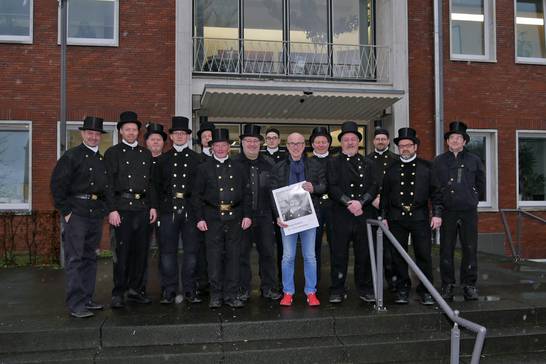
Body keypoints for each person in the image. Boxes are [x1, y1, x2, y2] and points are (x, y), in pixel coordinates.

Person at [50, 116, 108, 318]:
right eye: (90, 133)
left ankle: (87, 298)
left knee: (90, 257)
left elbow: (105, 189)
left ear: (100, 136)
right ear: (82, 134)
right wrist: (66, 212)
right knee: (75, 258)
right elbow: (57, 185)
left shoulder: (102, 160)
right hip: (76, 213)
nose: (93, 137)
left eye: (97, 134)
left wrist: (103, 211)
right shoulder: (71, 156)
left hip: (94, 214)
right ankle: (76, 304)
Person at [380, 127, 443, 305]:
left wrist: (437, 214)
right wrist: (383, 215)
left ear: (415, 146)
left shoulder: (427, 167)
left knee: (423, 255)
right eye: (401, 146)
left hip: (420, 217)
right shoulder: (391, 168)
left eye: (408, 145)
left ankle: (426, 290)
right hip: (396, 218)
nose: (405, 148)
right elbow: (384, 195)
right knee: (397, 256)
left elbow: (437, 193)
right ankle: (402, 288)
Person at [192, 128, 252, 309]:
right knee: (214, 257)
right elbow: (196, 196)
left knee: (234, 257)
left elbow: (247, 194)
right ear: (212, 148)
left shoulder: (239, 167)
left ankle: (231, 295)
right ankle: (216, 295)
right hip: (212, 218)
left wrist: (248, 215)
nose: (220, 148)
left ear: (229, 147)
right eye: (216, 145)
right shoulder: (203, 169)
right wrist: (199, 218)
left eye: (223, 145)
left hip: (235, 218)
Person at [104, 111, 157, 308]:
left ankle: (136, 290)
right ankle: (119, 292)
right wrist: (112, 209)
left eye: (134, 129)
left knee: (140, 253)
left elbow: (151, 183)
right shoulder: (112, 153)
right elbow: (108, 184)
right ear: (120, 131)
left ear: (138, 131)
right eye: (127, 129)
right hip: (122, 209)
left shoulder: (145, 154)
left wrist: (153, 206)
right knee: (122, 253)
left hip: (142, 209)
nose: (131, 132)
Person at [271, 132, 326, 307]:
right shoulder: (278, 167)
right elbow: (272, 194)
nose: (296, 147)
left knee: (310, 256)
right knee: (288, 256)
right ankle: (288, 292)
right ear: (287, 146)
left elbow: (324, 186)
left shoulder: (315, 165)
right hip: (287, 219)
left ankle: (311, 291)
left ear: (304, 146)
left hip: (309, 218)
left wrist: (315, 188)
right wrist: (277, 215)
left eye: (299, 143)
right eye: (292, 143)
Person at [432, 121, 485, 302]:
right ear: (447, 141)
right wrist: (437, 212)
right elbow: (436, 189)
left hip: (468, 212)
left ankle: (469, 285)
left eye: (458, 138)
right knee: (446, 250)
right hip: (448, 212)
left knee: (470, 249)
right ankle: (448, 285)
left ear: (464, 141)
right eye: (452, 138)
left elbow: (481, 184)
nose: (455, 141)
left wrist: (473, 198)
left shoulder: (474, 160)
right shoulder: (439, 161)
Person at [328, 121, 378, 304]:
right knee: (338, 254)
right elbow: (331, 186)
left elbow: (374, 185)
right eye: (346, 139)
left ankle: (364, 288)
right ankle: (337, 289)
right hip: (340, 214)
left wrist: (362, 202)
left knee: (363, 254)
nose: (350, 142)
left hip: (363, 215)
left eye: (353, 139)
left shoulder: (369, 163)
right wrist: (348, 202)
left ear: (359, 142)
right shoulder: (333, 162)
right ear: (341, 143)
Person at [154, 117, 203, 304]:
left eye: (183, 133)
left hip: (190, 210)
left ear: (188, 137)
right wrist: (157, 209)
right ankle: (169, 290)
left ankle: (190, 290)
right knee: (167, 252)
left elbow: (200, 190)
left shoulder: (197, 159)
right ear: (172, 137)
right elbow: (156, 187)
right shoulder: (163, 160)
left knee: (191, 252)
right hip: (168, 210)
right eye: (176, 133)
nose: (180, 136)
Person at [233, 124, 281, 301]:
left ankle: (268, 288)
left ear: (260, 143)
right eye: (248, 140)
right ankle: (243, 288)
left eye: (255, 141)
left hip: (265, 216)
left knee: (268, 253)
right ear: (242, 143)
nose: (252, 144)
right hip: (241, 217)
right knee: (241, 254)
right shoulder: (234, 163)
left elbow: (276, 191)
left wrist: (278, 215)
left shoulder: (270, 164)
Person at [366, 127, 399, 291]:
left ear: (388, 141)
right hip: (371, 208)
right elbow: (364, 184)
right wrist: (372, 198)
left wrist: (384, 199)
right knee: (371, 245)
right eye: (377, 139)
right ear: (373, 141)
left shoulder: (396, 159)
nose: (380, 141)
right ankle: (373, 281)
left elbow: (398, 185)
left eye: (383, 139)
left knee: (390, 248)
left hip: (390, 209)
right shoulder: (367, 160)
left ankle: (393, 280)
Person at [141, 122, 166, 296]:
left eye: (159, 139)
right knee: (141, 250)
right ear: (146, 142)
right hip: (142, 211)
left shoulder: (168, 161)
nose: (156, 142)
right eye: (152, 139)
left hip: (165, 212)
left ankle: (166, 288)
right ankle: (138, 287)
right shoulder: (140, 160)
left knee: (165, 250)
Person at [309, 126, 333, 284]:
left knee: (336, 246)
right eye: (317, 142)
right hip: (314, 208)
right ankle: (313, 282)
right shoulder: (307, 162)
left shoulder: (337, 160)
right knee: (313, 247)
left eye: (324, 142)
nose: (321, 144)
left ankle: (337, 284)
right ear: (312, 144)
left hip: (334, 207)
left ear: (329, 144)